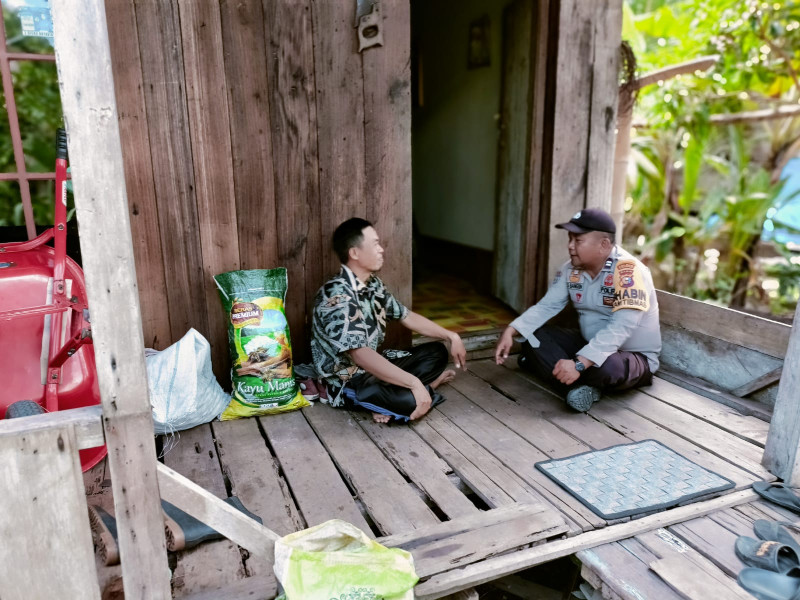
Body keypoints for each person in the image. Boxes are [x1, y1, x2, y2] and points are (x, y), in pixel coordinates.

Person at [495, 208, 661, 412]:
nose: (570, 246)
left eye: (578, 240)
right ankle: (580, 388)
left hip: (630, 357)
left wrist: (579, 364)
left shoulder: (628, 271)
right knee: (532, 337)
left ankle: (554, 372)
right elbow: (548, 306)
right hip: (589, 345)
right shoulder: (570, 270)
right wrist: (511, 330)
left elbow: (622, 327)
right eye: (569, 239)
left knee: (607, 367)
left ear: (604, 244)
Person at [311, 217, 467, 423]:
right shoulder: (337, 296)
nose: (381, 249)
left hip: (373, 368)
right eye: (375, 244)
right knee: (409, 402)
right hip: (348, 380)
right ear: (354, 253)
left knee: (436, 352)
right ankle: (418, 392)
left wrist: (451, 335)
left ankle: (397, 397)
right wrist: (414, 383)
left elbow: (406, 316)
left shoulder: (373, 284)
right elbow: (360, 355)